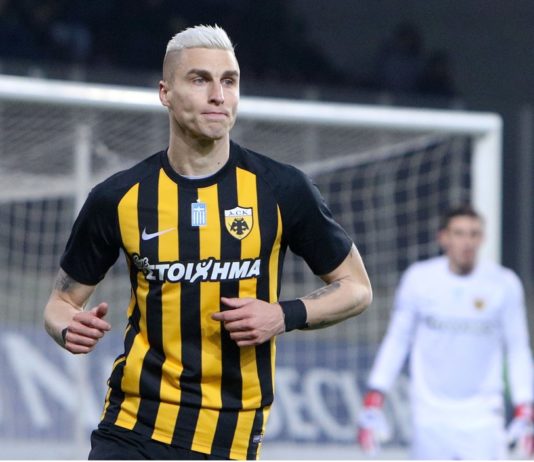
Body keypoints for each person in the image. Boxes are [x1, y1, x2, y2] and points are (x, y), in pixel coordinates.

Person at [43, 25, 372, 460]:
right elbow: (60, 302)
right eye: (200, 80)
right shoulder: (118, 197)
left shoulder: (282, 189)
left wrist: (282, 314)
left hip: (228, 438)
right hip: (131, 428)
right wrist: (68, 326)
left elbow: (356, 288)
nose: (218, 95)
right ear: (165, 93)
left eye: (229, 81)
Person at [357, 205, 533, 459]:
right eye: (459, 233)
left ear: (482, 239)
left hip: (483, 417)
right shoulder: (419, 279)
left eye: (474, 234)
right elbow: (397, 340)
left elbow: (518, 348)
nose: (467, 242)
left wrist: (524, 406)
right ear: (443, 238)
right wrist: (375, 396)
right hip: (429, 415)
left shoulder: (504, 284)